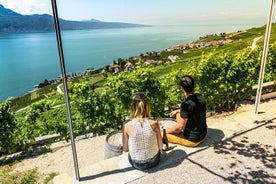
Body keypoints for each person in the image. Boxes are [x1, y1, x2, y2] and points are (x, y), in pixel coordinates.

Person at [123, 92, 163, 170]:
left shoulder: (127, 126)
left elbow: (125, 149)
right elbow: (161, 146)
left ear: (133, 107)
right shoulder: (154, 123)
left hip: (137, 164)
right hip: (154, 161)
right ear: (147, 106)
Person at [165, 75, 207, 147]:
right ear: (193, 86)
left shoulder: (185, 104)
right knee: (178, 114)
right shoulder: (200, 97)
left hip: (193, 140)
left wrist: (167, 130)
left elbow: (180, 128)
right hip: (203, 134)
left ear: (182, 88)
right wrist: (177, 111)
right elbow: (193, 109)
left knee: (162, 134)